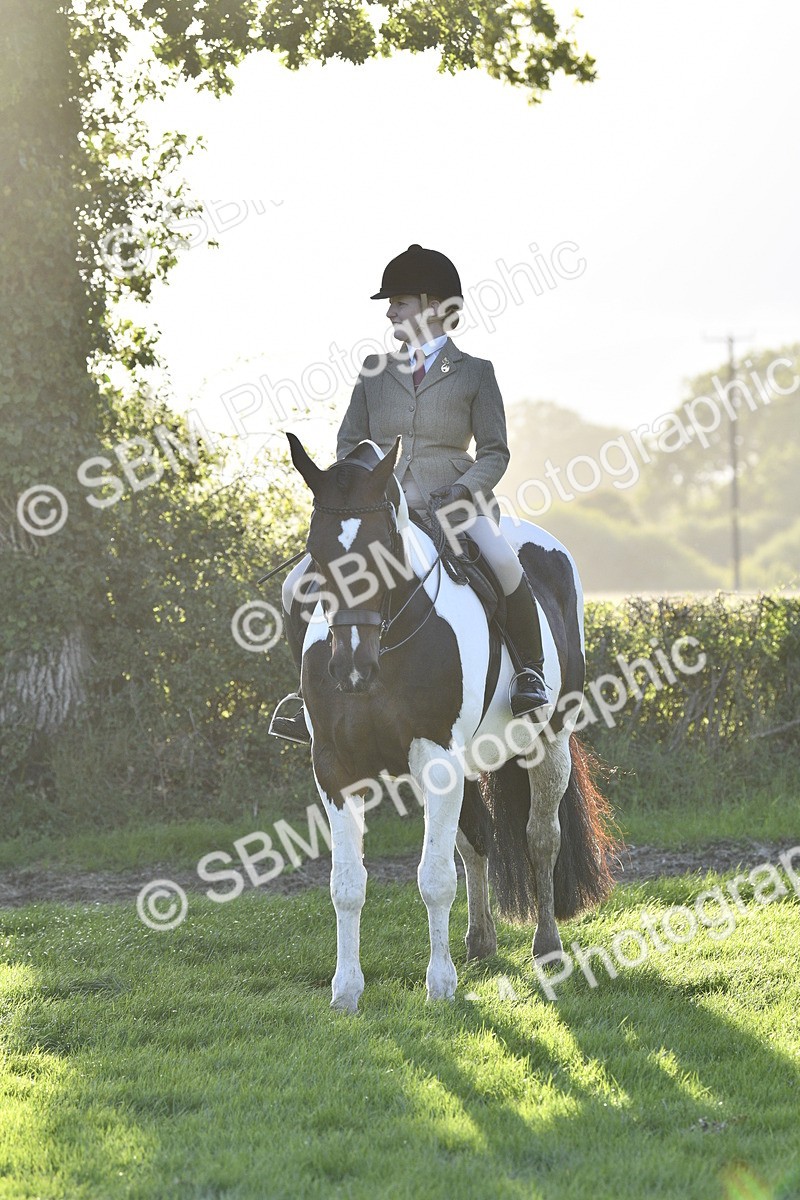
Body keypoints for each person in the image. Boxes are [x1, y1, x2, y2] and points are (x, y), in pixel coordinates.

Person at [270, 244, 549, 744]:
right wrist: (360, 492)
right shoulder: (374, 371)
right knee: (293, 587)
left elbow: (495, 452)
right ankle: (302, 697)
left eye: (398, 300)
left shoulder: (475, 373)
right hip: (380, 512)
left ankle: (529, 672)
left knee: (505, 563)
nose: (389, 310)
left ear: (432, 304)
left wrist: (463, 489)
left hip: (455, 506)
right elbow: (347, 445)